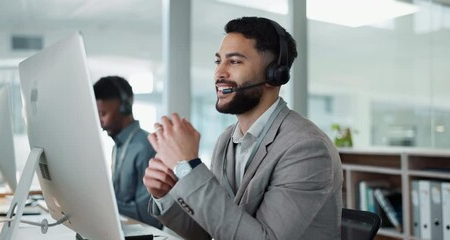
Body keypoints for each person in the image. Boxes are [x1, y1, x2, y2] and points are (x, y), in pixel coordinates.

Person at [143, 17, 343, 239]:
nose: (219, 73)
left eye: (235, 62)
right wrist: (166, 195)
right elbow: (214, 230)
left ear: (274, 74)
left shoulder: (307, 149)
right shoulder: (226, 140)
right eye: (218, 61)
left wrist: (189, 168)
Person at [93, 76, 161, 229]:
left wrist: (99, 202)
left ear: (125, 107)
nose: (100, 122)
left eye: (103, 114)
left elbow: (148, 216)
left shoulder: (145, 147)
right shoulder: (117, 147)